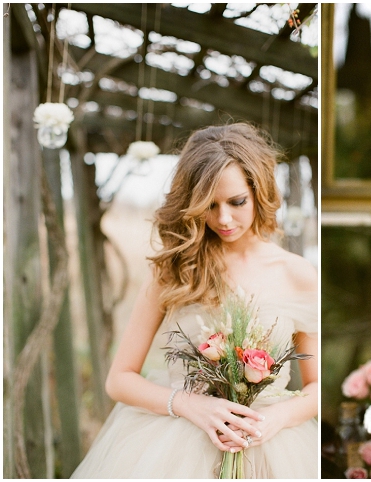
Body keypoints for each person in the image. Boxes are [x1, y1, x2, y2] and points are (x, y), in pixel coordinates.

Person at [71, 123, 318, 478]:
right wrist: (192, 406)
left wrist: (276, 418)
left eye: (236, 202)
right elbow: (119, 380)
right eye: (209, 205)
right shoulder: (175, 269)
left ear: (258, 190)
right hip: (178, 448)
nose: (223, 219)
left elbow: (315, 387)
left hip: (273, 448)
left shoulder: (298, 274)